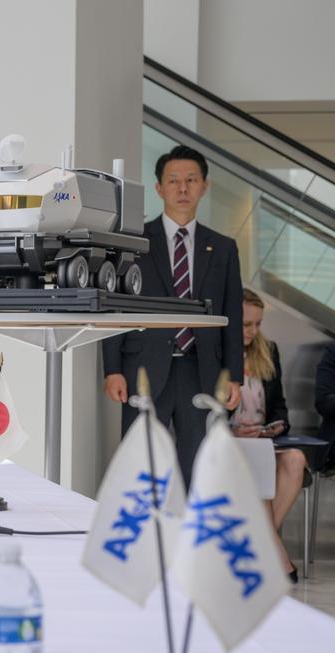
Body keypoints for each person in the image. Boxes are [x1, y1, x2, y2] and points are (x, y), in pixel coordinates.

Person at [102, 144, 244, 486]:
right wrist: (113, 369)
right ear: (159, 188)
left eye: (191, 180)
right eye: (174, 180)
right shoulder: (134, 241)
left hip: (202, 369)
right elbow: (114, 304)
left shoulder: (222, 247)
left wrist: (234, 375)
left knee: (198, 465)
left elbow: (232, 314)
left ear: (204, 186)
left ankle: (187, 537)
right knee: (142, 463)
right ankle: (145, 536)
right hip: (144, 369)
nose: (183, 188)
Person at [229, 290, 302, 583]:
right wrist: (231, 430)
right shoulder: (217, 354)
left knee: (295, 460)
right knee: (259, 463)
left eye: (258, 324)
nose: (253, 331)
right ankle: (275, 556)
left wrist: (278, 424)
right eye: (247, 324)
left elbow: (279, 405)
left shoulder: (268, 350)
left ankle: (258, 546)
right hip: (230, 443)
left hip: (263, 439)